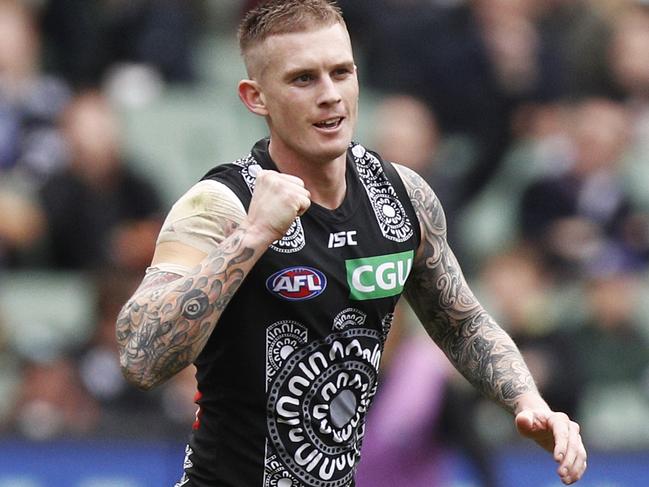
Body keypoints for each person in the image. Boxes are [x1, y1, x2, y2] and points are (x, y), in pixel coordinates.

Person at [115, 1, 587, 486]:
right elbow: (140, 356)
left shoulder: (402, 197)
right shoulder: (221, 205)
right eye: (303, 79)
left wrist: (528, 401)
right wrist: (251, 238)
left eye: (341, 73)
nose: (330, 96)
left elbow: (462, 324)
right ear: (256, 98)